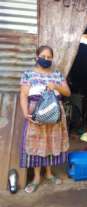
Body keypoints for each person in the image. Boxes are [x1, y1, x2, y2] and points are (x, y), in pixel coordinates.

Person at [20, 45, 71, 193]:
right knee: (37, 143)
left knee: (51, 142)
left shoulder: (57, 74)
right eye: (43, 56)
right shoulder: (28, 73)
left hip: (54, 112)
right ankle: (36, 177)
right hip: (36, 112)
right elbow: (23, 95)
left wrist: (55, 85)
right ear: (37, 57)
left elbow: (67, 92)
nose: (46, 59)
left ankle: (49, 173)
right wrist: (25, 113)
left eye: (49, 57)